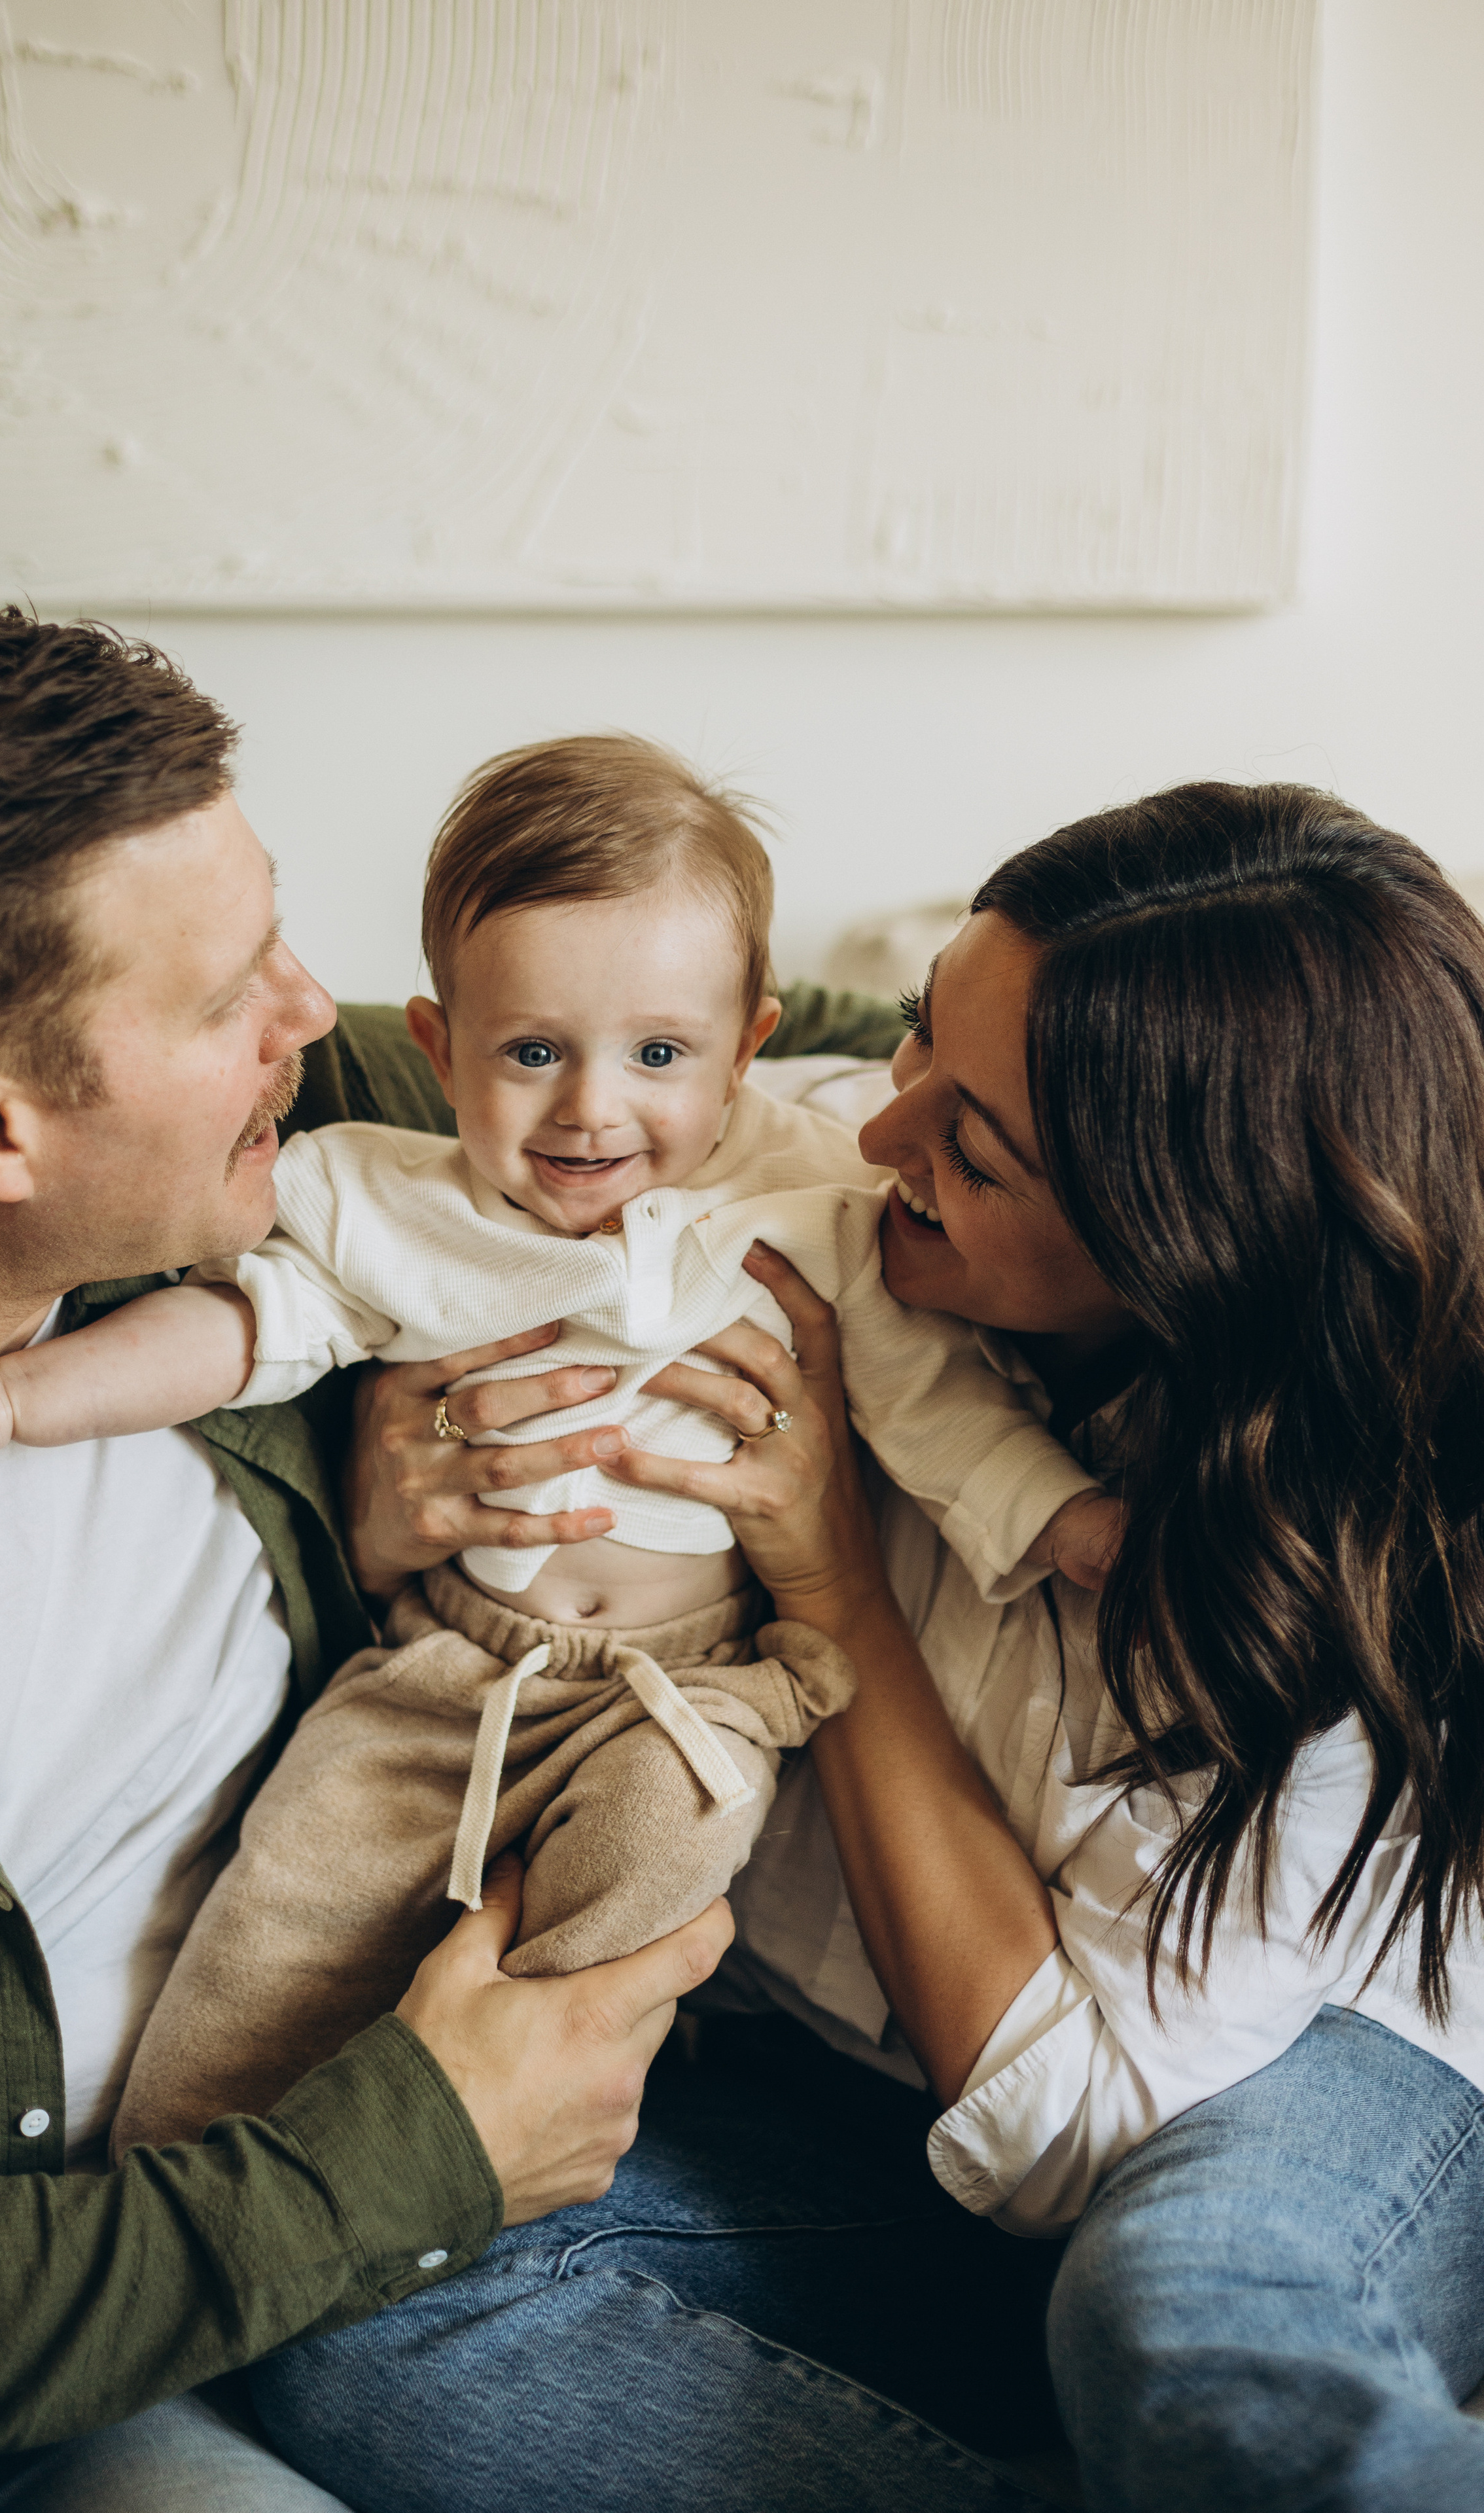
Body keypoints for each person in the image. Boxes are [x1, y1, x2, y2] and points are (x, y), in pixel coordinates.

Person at [247, 783, 1484, 2512]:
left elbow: (1076, 2134)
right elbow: (472, 1058)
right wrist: (369, 1496)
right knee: (352, 2285)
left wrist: (833, 1587)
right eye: (914, 1040)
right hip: (848, 2114)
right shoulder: (816, 1158)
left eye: (973, 1147)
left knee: (1180, 2318)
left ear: (1180, 1241)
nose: (879, 1132)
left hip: (1290, 2090)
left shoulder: (1316, 1580)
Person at [0, 603, 761, 2510]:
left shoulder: (228, 1171)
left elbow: (699, 1062)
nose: (309, 1017)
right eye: (232, 988)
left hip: (485, 2056)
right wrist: (424, 2150)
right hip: (49, 2355)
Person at [0, 736, 1114, 2160]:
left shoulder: (812, 1196)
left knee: (664, 1835)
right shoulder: (386, 1198)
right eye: (531, 1054)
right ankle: (188, 2168)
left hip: (682, 1682)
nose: (591, 1109)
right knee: (285, 1913)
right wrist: (24, 1400)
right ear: (436, 1046)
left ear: (748, 1047)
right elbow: (240, 1328)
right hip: (438, 1674)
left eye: (659, 1055)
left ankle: (537, 2120)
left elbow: (933, 1403)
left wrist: (1068, 1523)